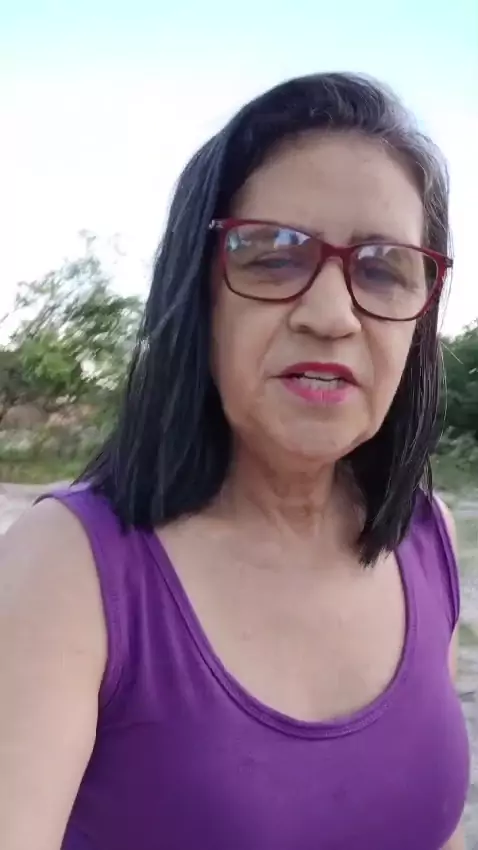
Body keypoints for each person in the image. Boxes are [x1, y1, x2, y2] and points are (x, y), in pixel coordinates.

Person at [0, 73, 469, 850]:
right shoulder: (66, 571)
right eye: (273, 255)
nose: (330, 315)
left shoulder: (428, 540)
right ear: (197, 290)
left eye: (383, 267)